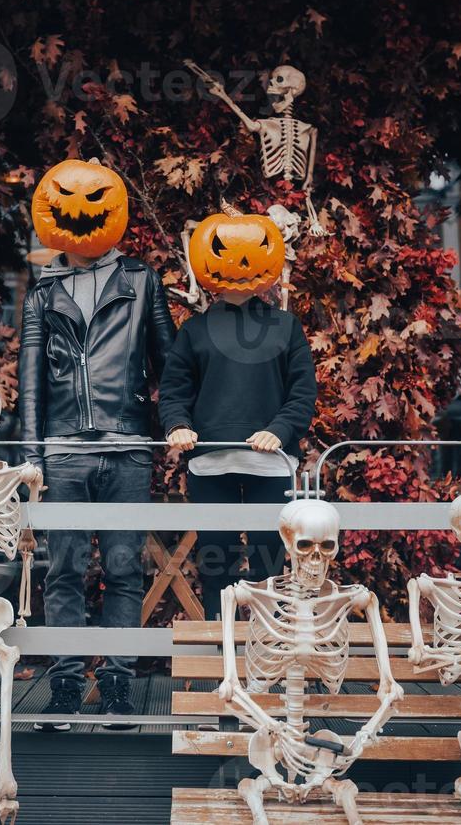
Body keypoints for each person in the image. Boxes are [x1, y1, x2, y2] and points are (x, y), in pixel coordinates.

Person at [19, 158, 175, 728]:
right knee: (61, 569)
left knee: (123, 569)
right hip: (62, 451)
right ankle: (63, 684)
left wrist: (172, 425)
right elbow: (30, 383)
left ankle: (116, 685)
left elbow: (171, 364)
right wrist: (31, 458)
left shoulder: (140, 280)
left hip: (129, 445)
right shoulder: (41, 295)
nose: (81, 210)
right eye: (66, 199)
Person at [158, 210, 317, 619]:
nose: (239, 262)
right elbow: (174, 390)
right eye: (224, 251)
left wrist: (279, 430)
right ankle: (219, 657)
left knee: (271, 569)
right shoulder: (193, 331)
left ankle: (269, 652)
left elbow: (302, 393)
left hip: (272, 465)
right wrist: (178, 425)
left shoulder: (286, 326)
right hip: (211, 464)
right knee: (217, 569)